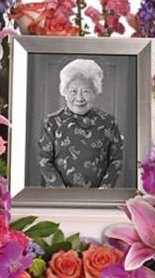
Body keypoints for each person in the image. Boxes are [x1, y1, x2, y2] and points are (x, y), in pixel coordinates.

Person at [38, 59, 123, 188]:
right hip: (58, 196)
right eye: (73, 91)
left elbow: (116, 160)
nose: (79, 98)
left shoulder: (108, 122)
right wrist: (62, 193)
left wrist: (103, 191)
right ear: (65, 92)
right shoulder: (52, 122)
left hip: (97, 197)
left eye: (86, 91)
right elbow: (44, 161)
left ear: (95, 92)